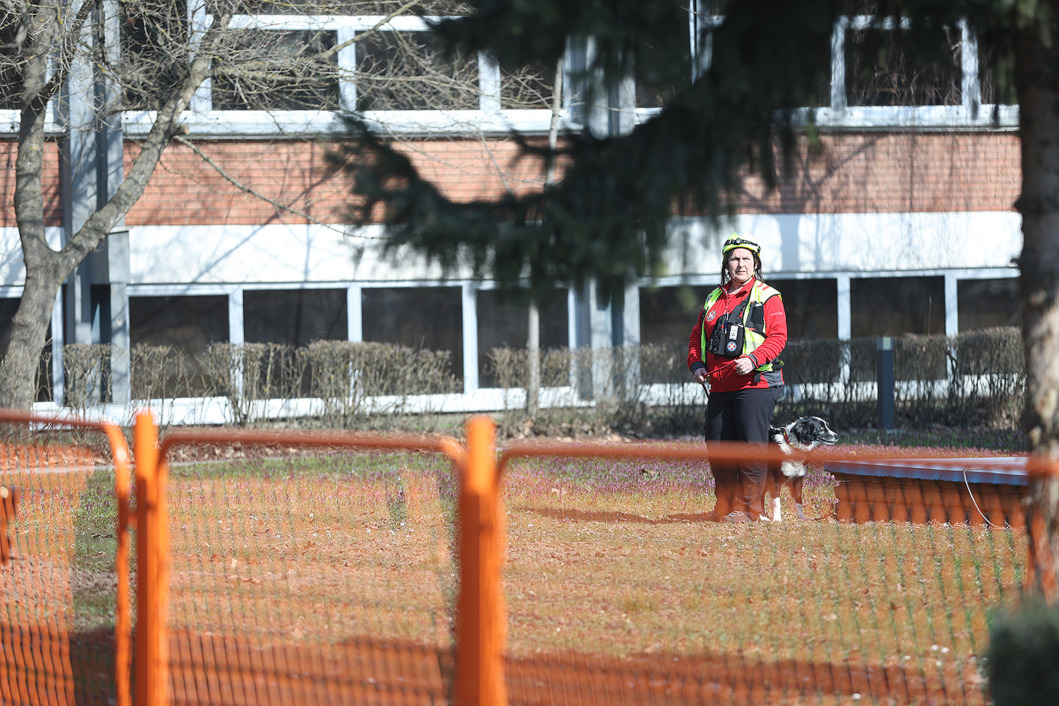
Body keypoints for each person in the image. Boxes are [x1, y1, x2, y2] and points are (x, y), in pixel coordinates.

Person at [687, 234, 788, 523]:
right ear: (726, 264)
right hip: (719, 384)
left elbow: (778, 338)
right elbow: (697, 337)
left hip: (755, 383)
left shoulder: (768, 296)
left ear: (755, 263)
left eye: (746, 259)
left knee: (750, 448)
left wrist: (753, 359)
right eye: (734, 258)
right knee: (718, 445)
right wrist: (695, 364)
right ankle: (726, 507)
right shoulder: (714, 297)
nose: (740, 264)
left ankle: (750, 511)